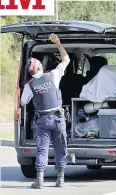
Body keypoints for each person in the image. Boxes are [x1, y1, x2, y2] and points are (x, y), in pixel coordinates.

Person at [20, 33, 70, 188]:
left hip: (42, 120)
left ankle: (39, 180)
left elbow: (23, 102)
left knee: (42, 149)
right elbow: (66, 60)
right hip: (58, 119)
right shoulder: (53, 75)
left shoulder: (30, 85)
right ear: (40, 66)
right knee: (61, 148)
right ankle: (60, 179)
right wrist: (58, 43)